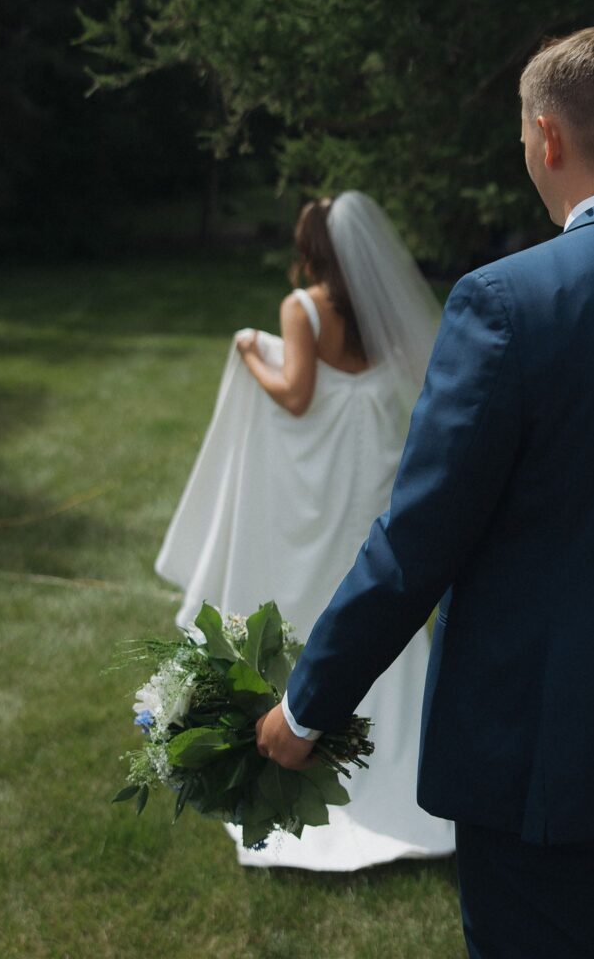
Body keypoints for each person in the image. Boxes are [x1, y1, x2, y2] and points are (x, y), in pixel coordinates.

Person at [257, 25, 594, 957]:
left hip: (557, 765)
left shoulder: (508, 302)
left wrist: (307, 706)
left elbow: (419, 539)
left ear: (546, 139)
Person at [155, 191, 455, 869]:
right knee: (375, 602)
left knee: (307, 600)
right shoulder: (377, 316)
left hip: (316, 489)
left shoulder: (302, 309)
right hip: (369, 479)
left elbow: (296, 393)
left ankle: (298, 736)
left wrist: (246, 351)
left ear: (310, 249)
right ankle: (396, 765)